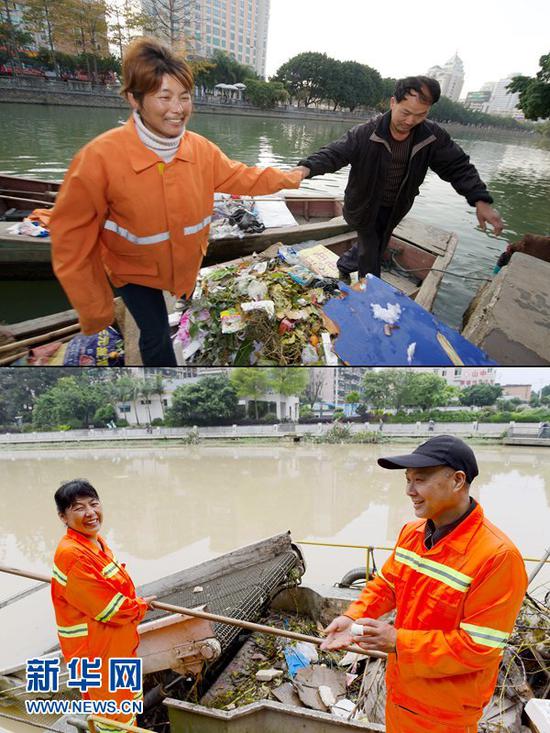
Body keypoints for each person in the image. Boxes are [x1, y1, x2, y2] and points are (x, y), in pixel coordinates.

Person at [50, 37, 307, 366]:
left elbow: (242, 176)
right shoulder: (98, 160)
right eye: (164, 96)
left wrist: (290, 177)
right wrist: (96, 311)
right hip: (134, 271)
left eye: (184, 97)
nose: (178, 109)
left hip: (185, 265)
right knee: (155, 335)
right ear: (134, 98)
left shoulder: (200, 149)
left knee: (194, 311)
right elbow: (70, 241)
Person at [321, 435, 527, 733]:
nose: (409, 491)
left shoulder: (497, 557)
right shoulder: (412, 532)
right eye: (407, 480)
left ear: (458, 480)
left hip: (445, 711)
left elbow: (477, 648)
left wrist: (397, 642)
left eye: (419, 480)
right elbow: (387, 585)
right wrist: (351, 617)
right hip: (401, 690)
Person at [295, 76, 504, 282]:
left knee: (380, 241)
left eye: (420, 115)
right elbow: (334, 153)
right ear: (393, 102)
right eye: (406, 112)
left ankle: (345, 264)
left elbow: (458, 166)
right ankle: (370, 296)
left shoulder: (432, 136)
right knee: (370, 253)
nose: (411, 121)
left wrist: (480, 200)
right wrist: (306, 168)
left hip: (397, 205)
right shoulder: (366, 133)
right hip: (364, 204)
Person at [51, 479, 155, 733]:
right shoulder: (72, 554)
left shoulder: (95, 543)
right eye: (78, 508)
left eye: (93, 504)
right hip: (96, 651)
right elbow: (109, 608)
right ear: (63, 517)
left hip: (114, 644)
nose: (90, 513)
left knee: (126, 705)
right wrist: (139, 606)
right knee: (112, 714)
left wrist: (136, 604)